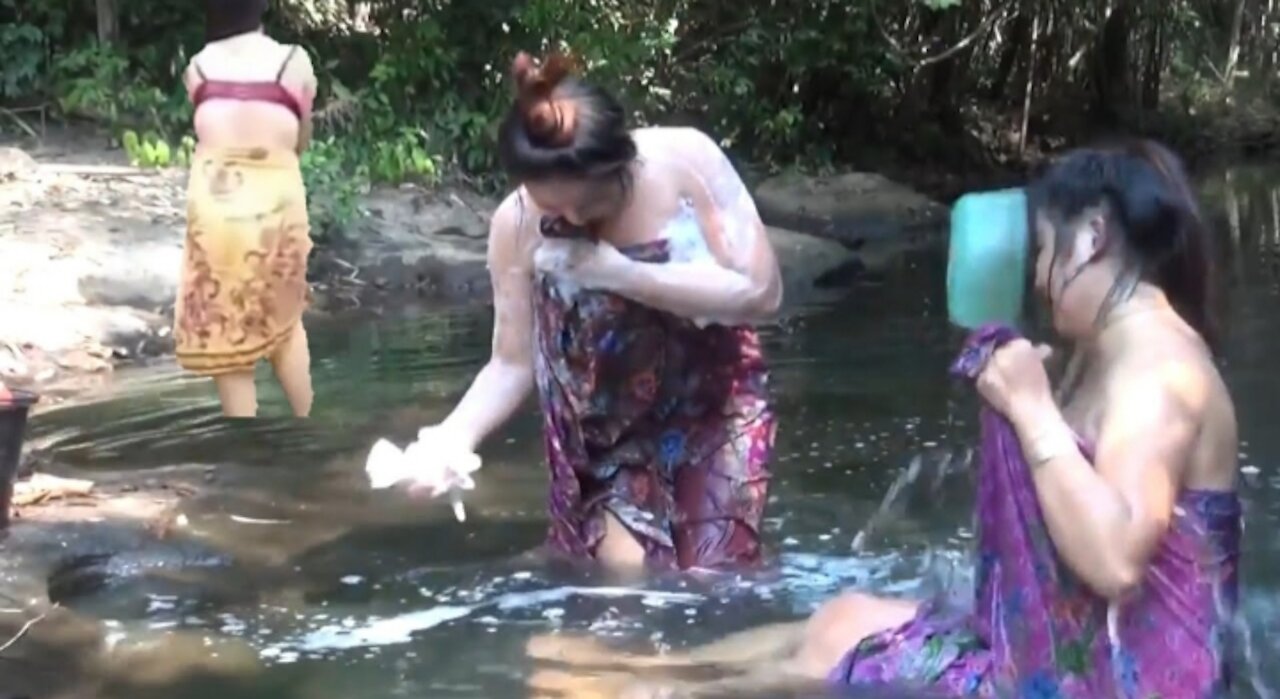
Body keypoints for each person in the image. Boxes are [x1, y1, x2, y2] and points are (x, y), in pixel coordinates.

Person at [524, 140, 1242, 698]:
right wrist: (1038, 404)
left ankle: (652, 688)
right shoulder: (1115, 349)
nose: (1037, 280)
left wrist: (1032, 410)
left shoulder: (1160, 370)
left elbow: (1115, 560)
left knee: (838, 641)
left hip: (1126, 680)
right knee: (846, 611)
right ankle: (663, 667)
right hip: (1084, 651)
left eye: (1046, 253)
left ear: (1092, 238)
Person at [409, 52, 782, 571]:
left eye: (590, 201)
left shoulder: (685, 164)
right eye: (553, 208)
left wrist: (620, 274)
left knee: (715, 582)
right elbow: (511, 364)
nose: (575, 219)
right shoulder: (515, 224)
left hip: (714, 406)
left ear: (622, 160)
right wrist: (451, 439)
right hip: (599, 432)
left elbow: (762, 292)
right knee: (620, 582)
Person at [174, 0, 317, 417]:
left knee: (228, 333)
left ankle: (245, 443)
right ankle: (309, 427)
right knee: (287, 323)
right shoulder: (294, 61)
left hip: (216, 215)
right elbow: (300, 139)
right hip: (276, 215)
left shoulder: (198, 67)